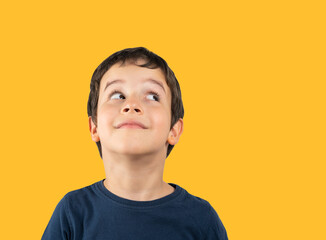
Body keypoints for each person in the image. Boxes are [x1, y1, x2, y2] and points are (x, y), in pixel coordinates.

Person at [41, 47, 228, 240]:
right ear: (94, 127)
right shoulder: (72, 212)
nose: (131, 105)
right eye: (117, 95)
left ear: (174, 130)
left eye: (153, 96)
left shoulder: (202, 220)